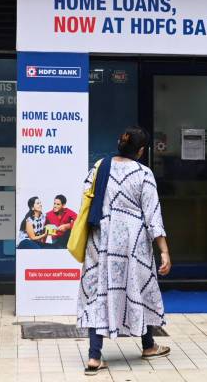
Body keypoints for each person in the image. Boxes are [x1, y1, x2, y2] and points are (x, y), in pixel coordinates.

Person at [77, 126, 172, 376]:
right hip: (133, 239)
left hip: (101, 236)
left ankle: (94, 356)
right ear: (140, 151)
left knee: (99, 290)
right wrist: (164, 250)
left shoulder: (99, 166)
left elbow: (85, 197)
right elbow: (153, 216)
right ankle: (148, 345)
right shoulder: (144, 173)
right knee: (140, 286)